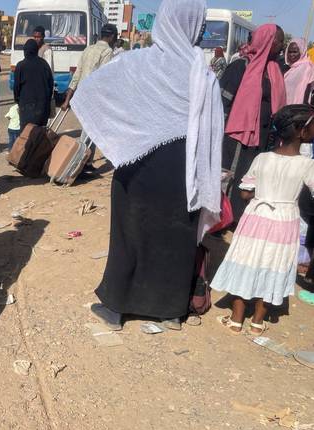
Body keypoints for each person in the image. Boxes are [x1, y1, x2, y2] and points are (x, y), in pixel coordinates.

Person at [71, 0, 223, 331]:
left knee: (130, 233)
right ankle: (170, 310)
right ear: (195, 25)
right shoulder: (203, 74)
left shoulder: (136, 63)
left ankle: (115, 307)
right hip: (183, 169)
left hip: (137, 165)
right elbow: (212, 134)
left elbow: (88, 93)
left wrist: (120, 137)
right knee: (176, 236)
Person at [212, 105, 314, 335]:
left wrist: (262, 192)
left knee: (246, 260)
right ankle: (257, 322)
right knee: (274, 264)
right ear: (300, 131)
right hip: (285, 220)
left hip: (256, 217)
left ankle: (236, 319)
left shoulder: (262, 158)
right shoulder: (308, 165)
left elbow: (245, 192)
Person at [221, 24, 286, 223]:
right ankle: (225, 219)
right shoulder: (241, 66)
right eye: (280, 42)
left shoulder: (274, 69)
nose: (282, 46)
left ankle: (243, 219)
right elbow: (222, 102)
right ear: (269, 42)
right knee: (234, 176)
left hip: (264, 137)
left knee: (253, 178)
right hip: (239, 136)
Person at [61, 24, 118, 111]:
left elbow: (77, 74)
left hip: (81, 93)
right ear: (113, 36)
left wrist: (66, 100)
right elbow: (102, 78)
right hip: (94, 96)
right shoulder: (108, 51)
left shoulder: (88, 49)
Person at [13, 39, 54, 130]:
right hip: (43, 108)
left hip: (26, 108)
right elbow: (50, 86)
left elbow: (16, 88)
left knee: (27, 136)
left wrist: (17, 101)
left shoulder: (21, 66)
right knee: (40, 136)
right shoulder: (44, 64)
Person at [284, 38, 314, 106]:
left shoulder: (307, 67)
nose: (292, 55)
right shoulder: (286, 66)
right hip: (282, 108)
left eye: (295, 52)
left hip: (296, 110)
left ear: (302, 52)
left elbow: (307, 91)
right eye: (290, 52)